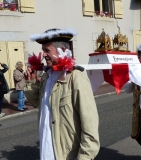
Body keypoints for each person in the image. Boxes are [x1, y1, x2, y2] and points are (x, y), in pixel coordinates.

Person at [24, 28, 100, 160]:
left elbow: (90, 123)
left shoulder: (76, 77)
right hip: (47, 149)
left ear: (62, 50)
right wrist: (31, 82)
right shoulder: (47, 76)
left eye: (47, 50)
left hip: (66, 153)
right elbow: (37, 103)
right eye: (43, 50)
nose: (44, 55)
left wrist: (85, 156)